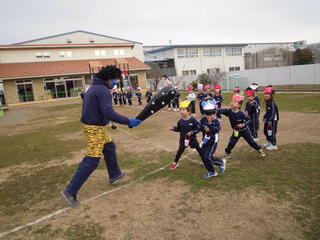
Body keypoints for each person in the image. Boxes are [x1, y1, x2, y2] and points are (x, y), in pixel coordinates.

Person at [61, 66, 141, 206]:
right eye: (115, 80)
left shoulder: (96, 87)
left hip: (96, 126)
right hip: (94, 128)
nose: (116, 82)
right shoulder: (102, 90)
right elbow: (108, 113)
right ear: (109, 79)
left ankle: (114, 174)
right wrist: (128, 121)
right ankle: (70, 190)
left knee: (109, 147)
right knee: (92, 159)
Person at [217, 94, 265, 160]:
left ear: (239, 105)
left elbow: (249, 120)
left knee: (251, 142)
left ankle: (259, 149)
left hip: (245, 131)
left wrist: (243, 125)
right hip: (236, 131)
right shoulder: (229, 111)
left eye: (234, 102)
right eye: (232, 101)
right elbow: (221, 110)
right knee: (231, 143)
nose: (232, 103)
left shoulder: (241, 113)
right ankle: (227, 154)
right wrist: (214, 109)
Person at [169, 100, 204, 170]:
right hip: (183, 140)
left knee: (199, 149)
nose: (181, 111)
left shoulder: (193, 120)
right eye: (181, 109)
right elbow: (179, 129)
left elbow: (198, 128)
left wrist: (192, 132)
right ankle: (175, 163)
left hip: (192, 139)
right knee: (179, 151)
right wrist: (173, 129)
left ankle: (204, 160)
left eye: (184, 110)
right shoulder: (180, 121)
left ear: (189, 112)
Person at [199, 97, 226, 178]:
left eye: (211, 114)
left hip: (212, 141)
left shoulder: (216, 121)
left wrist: (210, 125)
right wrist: (204, 127)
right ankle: (212, 172)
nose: (208, 116)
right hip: (205, 141)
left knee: (208, 156)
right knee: (203, 157)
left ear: (214, 113)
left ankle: (220, 162)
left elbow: (215, 130)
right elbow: (200, 126)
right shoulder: (203, 119)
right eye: (207, 114)